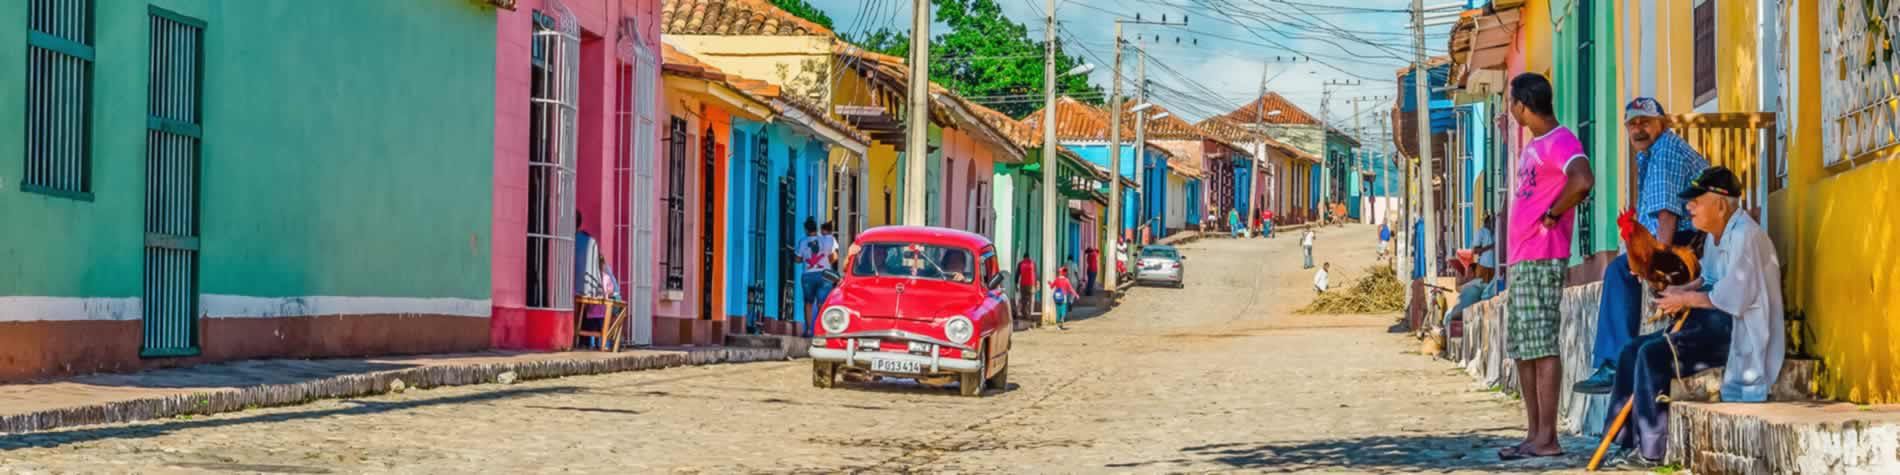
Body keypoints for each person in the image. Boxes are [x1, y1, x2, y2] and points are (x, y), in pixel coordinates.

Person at [1606, 166, 1784, 468]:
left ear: (1719, 203)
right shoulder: (1715, 237)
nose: (1689, 208)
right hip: (1713, 321)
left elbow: (1733, 299)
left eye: (1695, 201)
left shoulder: (1746, 237)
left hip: (1736, 329)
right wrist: (1680, 291)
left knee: (1652, 355)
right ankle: (1620, 442)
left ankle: (1650, 451)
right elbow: (1709, 278)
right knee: (1630, 351)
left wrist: (1685, 298)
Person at [1574, 97, 1713, 394]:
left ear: (1661, 124)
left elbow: (1667, 215)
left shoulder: (1664, 152)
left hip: (1688, 241)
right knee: (1624, 268)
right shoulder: (1651, 154)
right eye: (1632, 124)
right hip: (1682, 238)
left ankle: (1613, 363)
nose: (1638, 130)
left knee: (1618, 272)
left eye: (1645, 123)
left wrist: (1655, 263)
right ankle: (1619, 361)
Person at [1497, 72, 1595, 462]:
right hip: (1523, 258)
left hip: (1542, 255)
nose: (1510, 108)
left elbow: (1582, 179)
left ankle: (1548, 437)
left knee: (1541, 345)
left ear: (1523, 104)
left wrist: (1554, 213)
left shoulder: (1562, 140)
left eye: (1511, 101)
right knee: (1523, 347)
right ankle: (1534, 434)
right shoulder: (1534, 145)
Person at [1442, 215, 1498, 335]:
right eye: (1491, 221)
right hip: (1485, 265)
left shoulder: (1494, 233)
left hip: (1494, 266)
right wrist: (1491, 247)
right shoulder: (1481, 233)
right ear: (1487, 222)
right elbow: (1476, 250)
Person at [794, 219, 838, 338]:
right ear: (816, 228)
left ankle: (808, 330)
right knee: (821, 303)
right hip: (824, 275)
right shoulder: (827, 239)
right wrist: (826, 263)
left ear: (806, 230)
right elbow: (834, 256)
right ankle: (820, 330)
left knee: (808, 303)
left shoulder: (803, 242)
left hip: (808, 275)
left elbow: (797, 259)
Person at [1015, 253, 1037, 321]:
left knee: (1024, 300)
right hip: (1031, 284)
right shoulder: (1033, 263)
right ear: (1028, 257)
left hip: (1023, 284)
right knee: (1031, 300)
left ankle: (1025, 314)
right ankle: (1030, 315)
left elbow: (1017, 275)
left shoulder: (1020, 263)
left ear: (1023, 257)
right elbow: (1036, 273)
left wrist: (1016, 284)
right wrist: (1037, 283)